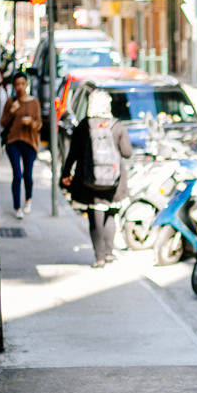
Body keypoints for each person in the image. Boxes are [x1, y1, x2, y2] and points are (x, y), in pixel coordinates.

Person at [60, 90, 133, 267]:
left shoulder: (84, 126)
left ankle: (99, 257)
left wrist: (65, 174)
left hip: (89, 181)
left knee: (95, 218)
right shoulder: (117, 126)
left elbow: (73, 154)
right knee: (110, 215)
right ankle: (109, 253)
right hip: (114, 182)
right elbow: (127, 153)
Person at [0, 72, 42, 219]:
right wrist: (12, 111)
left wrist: (31, 123)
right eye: (17, 84)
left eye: (22, 84)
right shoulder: (11, 102)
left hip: (29, 142)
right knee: (17, 174)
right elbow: (3, 123)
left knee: (27, 175)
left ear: (27, 84)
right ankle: (17, 207)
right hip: (13, 142)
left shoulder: (34, 102)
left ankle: (28, 199)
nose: (20, 87)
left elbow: (39, 125)